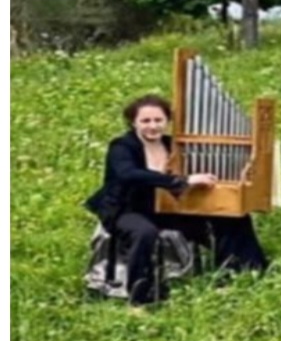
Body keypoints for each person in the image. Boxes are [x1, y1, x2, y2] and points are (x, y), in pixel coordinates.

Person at [84, 94, 269, 306]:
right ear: (133, 122)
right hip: (126, 209)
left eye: (158, 120)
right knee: (144, 233)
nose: (153, 126)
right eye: (145, 121)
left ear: (167, 121)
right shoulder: (122, 146)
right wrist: (182, 180)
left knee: (232, 217)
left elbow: (195, 165)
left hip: (166, 209)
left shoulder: (172, 144)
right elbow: (129, 174)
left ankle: (243, 272)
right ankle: (140, 299)